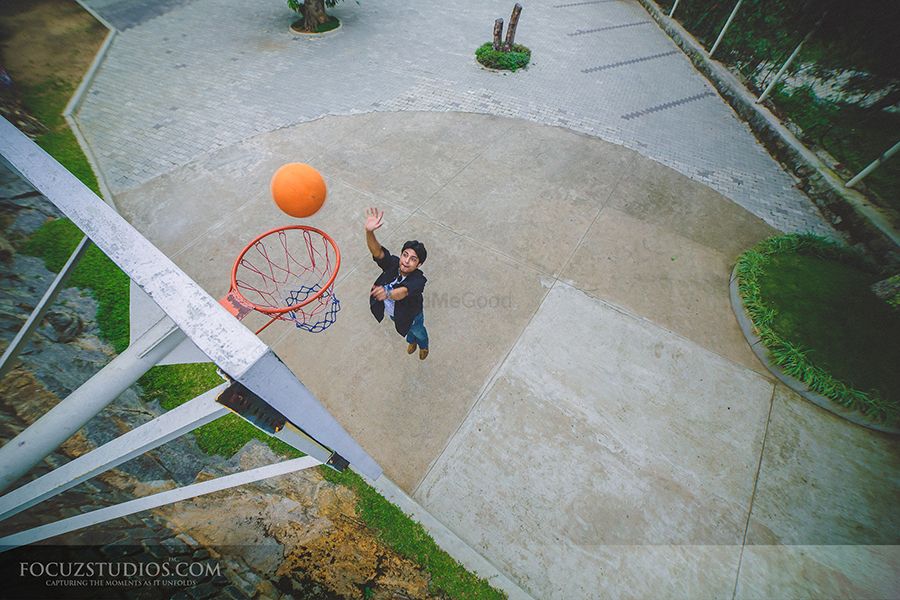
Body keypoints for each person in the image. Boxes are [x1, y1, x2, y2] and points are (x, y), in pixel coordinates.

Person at [365, 207, 429, 360]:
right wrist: (369, 232)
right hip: (395, 314)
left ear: (419, 264)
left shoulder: (419, 280)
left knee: (418, 330)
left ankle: (424, 345)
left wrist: (387, 293)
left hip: (413, 315)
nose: (406, 261)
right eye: (405, 255)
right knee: (406, 330)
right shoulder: (394, 264)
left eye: (413, 259)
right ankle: (411, 341)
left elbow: (404, 292)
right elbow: (378, 252)